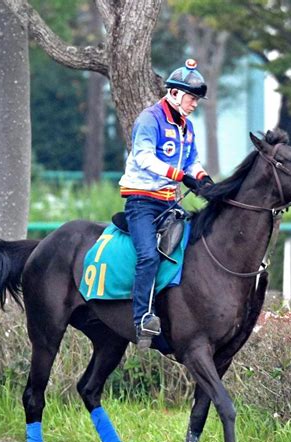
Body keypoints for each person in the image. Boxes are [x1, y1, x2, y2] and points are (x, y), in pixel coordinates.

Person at [119, 58, 214, 349]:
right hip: (141, 203)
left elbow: (192, 160)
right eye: (191, 98)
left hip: (169, 202)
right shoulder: (149, 119)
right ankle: (142, 318)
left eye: (197, 99)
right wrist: (180, 175)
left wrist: (202, 178)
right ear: (173, 94)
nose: (195, 104)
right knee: (148, 256)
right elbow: (144, 158)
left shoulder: (187, 126)